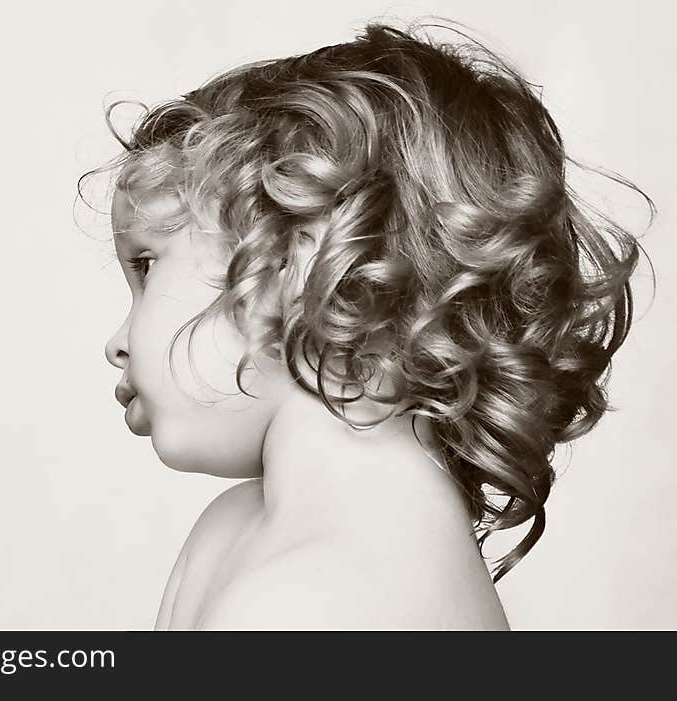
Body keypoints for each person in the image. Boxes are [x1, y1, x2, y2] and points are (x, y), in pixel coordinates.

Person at [83, 19, 649, 629]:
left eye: (146, 267)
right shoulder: (235, 530)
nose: (117, 343)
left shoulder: (315, 603)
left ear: (298, 263)